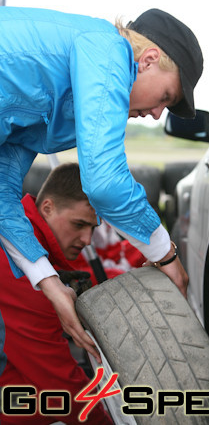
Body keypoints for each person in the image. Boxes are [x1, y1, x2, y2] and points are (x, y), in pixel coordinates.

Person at [0, 6, 203, 364]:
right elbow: (105, 182)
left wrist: (50, 283)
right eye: (167, 98)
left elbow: (1, 191)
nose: (158, 115)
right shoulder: (107, 48)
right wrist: (166, 254)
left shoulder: (56, 104)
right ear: (149, 60)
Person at [0, 163, 111, 424]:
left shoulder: (29, 237)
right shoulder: (23, 271)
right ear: (47, 208)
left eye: (93, 228)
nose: (87, 239)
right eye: (79, 224)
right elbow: (58, 382)